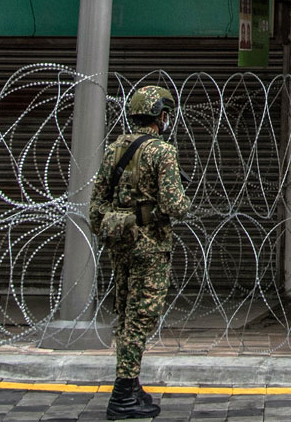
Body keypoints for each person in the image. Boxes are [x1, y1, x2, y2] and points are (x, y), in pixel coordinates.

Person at [88, 84, 191, 420]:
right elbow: (175, 206)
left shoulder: (115, 149)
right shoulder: (162, 152)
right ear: (161, 116)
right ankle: (122, 394)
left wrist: (114, 227)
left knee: (124, 312)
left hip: (120, 243)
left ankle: (131, 388)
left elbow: (96, 205)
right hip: (150, 244)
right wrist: (184, 206)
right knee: (141, 315)